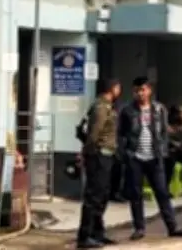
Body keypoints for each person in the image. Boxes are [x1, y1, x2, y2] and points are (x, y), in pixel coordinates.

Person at [118, 76, 182, 241]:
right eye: (137, 90)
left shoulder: (159, 110)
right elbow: (121, 134)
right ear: (133, 92)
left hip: (155, 158)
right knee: (136, 195)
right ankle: (139, 228)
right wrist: (126, 153)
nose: (140, 93)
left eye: (143, 90)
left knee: (162, 193)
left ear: (149, 90)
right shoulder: (127, 111)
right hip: (135, 157)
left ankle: (173, 226)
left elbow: (164, 133)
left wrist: (163, 151)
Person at [76, 79, 121, 249]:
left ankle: (98, 233)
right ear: (112, 88)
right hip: (98, 155)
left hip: (107, 155)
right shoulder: (101, 107)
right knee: (94, 196)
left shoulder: (107, 106)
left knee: (102, 196)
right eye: (117, 87)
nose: (119, 90)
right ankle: (85, 235)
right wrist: (87, 154)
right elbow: (94, 133)